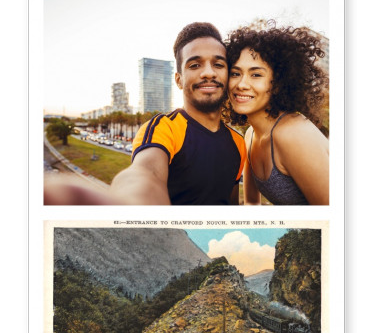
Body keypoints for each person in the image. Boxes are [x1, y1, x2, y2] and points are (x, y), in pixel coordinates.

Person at [44, 22, 246, 205]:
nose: (208, 72)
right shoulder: (163, 128)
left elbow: (230, 203)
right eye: (195, 65)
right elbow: (144, 173)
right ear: (178, 79)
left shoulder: (238, 142)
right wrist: (130, 205)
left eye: (218, 64)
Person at [224, 24, 329, 205]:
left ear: (278, 83)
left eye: (256, 75)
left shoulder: (295, 133)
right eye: (235, 73)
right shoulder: (250, 135)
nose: (241, 84)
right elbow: (252, 205)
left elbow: (334, 217)